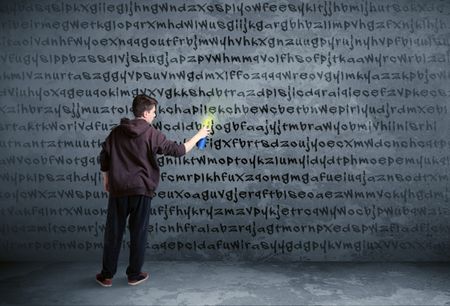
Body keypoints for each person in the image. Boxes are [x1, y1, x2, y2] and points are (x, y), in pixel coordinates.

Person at [95, 94, 210, 287]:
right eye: (154, 112)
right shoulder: (151, 133)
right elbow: (178, 151)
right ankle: (134, 275)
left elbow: (104, 157)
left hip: (118, 189)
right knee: (138, 233)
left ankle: (106, 276)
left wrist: (106, 179)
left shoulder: (116, 132)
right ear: (146, 112)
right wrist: (199, 135)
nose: (155, 116)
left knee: (113, 233)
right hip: (142, 190)